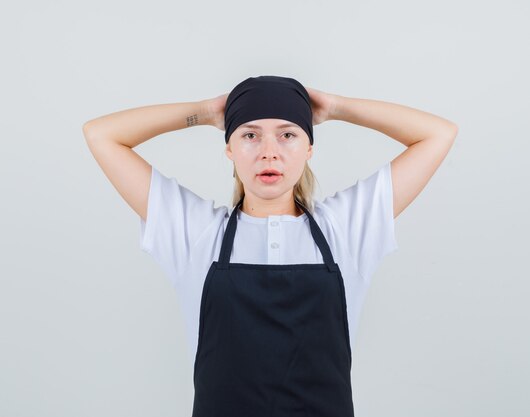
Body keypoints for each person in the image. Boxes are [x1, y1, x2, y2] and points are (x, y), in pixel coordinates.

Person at [83, 75, 458, 416]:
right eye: (249, 135)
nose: (268, 151)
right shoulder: (195, 233)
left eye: (288, 134)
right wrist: (205, 113)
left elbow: (438, 134)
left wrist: (334, 108)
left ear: (309, 148)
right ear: (228, 149)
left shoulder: (345, 229)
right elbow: (101, 134)